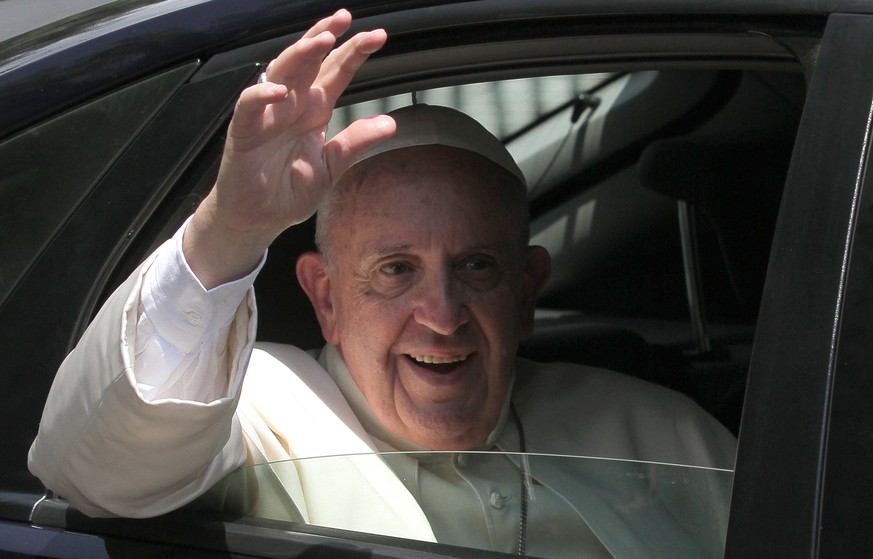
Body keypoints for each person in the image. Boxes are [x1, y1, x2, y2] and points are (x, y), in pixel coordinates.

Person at [28, 9, 736, 558]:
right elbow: (98, 468)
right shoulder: (258, 403)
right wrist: (229, 231)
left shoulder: (656, 430)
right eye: (395, 270)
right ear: (327, 298)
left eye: (476, 267)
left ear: (526, 292)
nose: (442, 312)